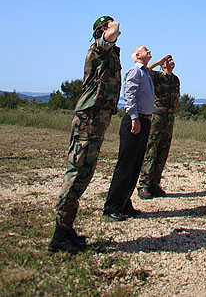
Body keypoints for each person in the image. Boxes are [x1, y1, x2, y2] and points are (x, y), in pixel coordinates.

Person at [49, 15, 122, 254]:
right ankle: (59, 235)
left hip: (97, 120)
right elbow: (111, 33)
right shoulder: (98, 48)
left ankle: (66, 229)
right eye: (109, 24)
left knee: (84, 173)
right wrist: (111, 25)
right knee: (77, 172)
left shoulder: (110, 52)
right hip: (88, 119)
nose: (116, 27)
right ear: (102, 29)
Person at [103, 45, 155, 221]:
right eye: (145, 49)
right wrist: (134, 118)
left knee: (135, 164)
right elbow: (129, 95)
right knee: (126, 164)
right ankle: (112, 206)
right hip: (135, 120)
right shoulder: (135, 71)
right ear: (138, 55)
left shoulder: (146, 73)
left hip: (144, 120)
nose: (149, 51)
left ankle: (124, 202)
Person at [137, 54, 180, 199]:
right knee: (151, 150)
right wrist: (158, 62)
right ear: (163, 65)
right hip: (157, 117)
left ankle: (155, 184)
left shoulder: (175, 79)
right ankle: (144, 185)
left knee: (163, 151)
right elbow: (145, 70)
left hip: (169, 118)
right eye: (168, 60)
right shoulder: (157, 76)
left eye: (172, 60)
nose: (171, 61)